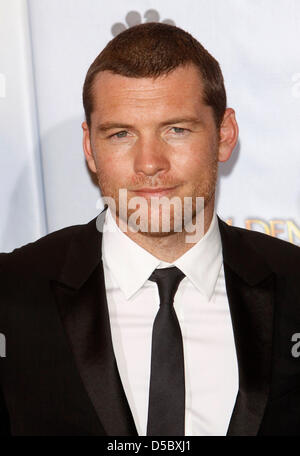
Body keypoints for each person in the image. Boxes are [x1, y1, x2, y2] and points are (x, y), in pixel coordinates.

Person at [0, 22, 300, 437]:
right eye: (121, 134)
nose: (149, 163)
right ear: (90, 148)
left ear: (224, 134)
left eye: (176, 129)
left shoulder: (295, 285)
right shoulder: (11, 293)